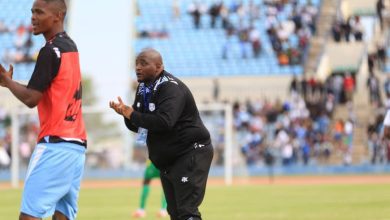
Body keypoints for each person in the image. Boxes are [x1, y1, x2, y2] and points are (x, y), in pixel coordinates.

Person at [0, 0, 87, 219]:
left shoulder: (50, 51)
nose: (33, 17)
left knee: (29, 215)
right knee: (63, 214)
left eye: (39, 12)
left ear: (58, 15)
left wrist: (7, 82)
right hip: (76, 147)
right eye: (32, 12)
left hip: (54, 146)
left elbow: (31, 98)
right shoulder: (70, 46)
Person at [110, 48, 214, 220]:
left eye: (143, 63)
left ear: (158, 67)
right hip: (169, 160)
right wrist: (126, 115)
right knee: (175, 214)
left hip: (190, 153)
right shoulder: (143, 88)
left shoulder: (171, 88)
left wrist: (132, 114)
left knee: (187, 212)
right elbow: (140, 124)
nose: (138, 67)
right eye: (136, 63)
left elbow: (165, 122)